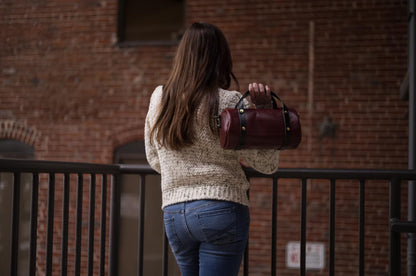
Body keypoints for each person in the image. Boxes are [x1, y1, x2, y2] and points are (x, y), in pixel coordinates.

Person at [144, 22, 279, 276]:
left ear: (182, 56)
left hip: (174, 213)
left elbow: (154, 157)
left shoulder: (160, 98)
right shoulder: (229, 102)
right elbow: (267, 163)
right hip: (221, 209)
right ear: (221, 58)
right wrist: (264, 113)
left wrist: (182, 168)